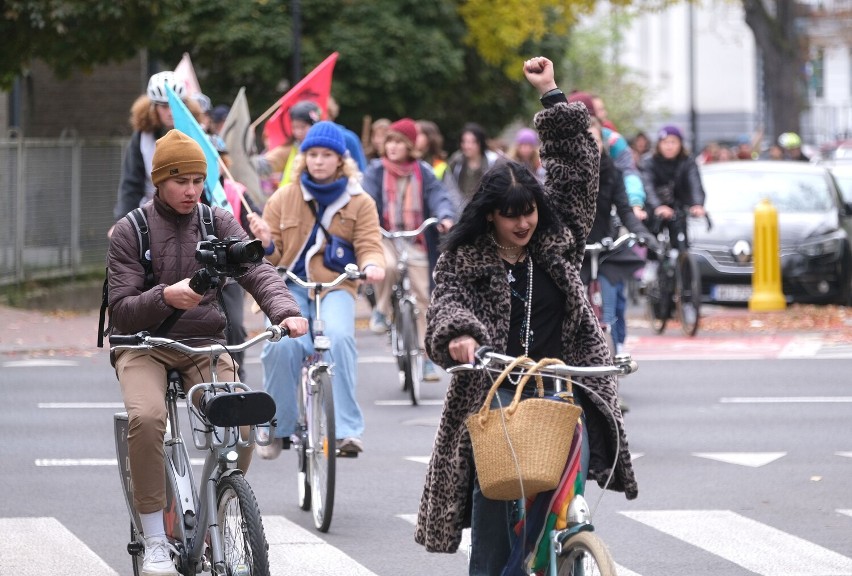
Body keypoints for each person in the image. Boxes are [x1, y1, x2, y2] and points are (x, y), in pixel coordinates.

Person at [414, 56, 638, 575]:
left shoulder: (558, 241)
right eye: (511, 214)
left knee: (563, 482)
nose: (523, 223)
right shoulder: (464, 256)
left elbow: (579, 169)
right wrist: (461, 337)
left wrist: (553, 95)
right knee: (494, 502)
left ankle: (561, 552)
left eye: (530, 211)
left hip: (564, 381)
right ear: (490, 214)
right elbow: (446, 304)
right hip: (495, 389)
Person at [107, 129, 308, 576]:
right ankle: (156, 536)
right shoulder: (130, 230)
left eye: (198, 180)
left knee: (240, 412)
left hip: (203, 343)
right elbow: (121, 312)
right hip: (143, 344)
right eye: (181, 181)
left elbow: (257, 269)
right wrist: (168, 297)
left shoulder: (217, 219)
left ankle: (225, 496)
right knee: (147, 417)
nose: (191, 190)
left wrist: (285, 310)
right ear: (159, 181)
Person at [257, 121, 386, 457]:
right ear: (303, 158)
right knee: (281, 346)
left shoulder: (360, 202)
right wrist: (267, 244)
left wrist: (372, 264)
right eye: (312, 154)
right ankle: (277, 427)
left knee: (341, 337)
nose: (318, 160)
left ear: (340, 160)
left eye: (326, 154)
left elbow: (370, 243)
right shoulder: (284, 197)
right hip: (291, 286)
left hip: (336, 286)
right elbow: (269, 256)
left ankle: (346, 431)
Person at [362, 117, 456, 382]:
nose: (392, 147)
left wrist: (445, 216)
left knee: (425, 299)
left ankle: (427, 359)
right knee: (387, 266)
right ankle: (381, 309)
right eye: (389, 141)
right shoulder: (375, 171)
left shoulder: (422, 171)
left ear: (410, 146)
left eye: (398, 142)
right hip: (385, 236)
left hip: (415, 238)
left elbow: (439, 196)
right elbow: (365, 197)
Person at [582, 117, 653, 357]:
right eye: (586, 140)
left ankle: (613, 348)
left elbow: (624, 210)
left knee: (609, 305)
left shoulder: (611, 171)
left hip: (604, 248)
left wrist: (642, 233)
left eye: (596, 140)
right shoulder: (568, 173)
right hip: (574, 248)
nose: (592, 145)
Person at [112, 71, 205, 224]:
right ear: (153, 108)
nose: (170, 112)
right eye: (163, 106)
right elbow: (131, 184)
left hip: (193, 211)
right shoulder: (141, 138)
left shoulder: (198, 134)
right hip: (152, 212)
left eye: (174, 105)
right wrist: (123, 222)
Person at [639, 124, 707, 248]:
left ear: (680, 144)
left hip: (679, 209)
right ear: (659, 144)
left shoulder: (687, 161)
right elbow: (648, 187)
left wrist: (697, 204)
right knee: (652, 248)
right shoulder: (649, 162)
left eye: (673, 142)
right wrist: (658, 206)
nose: (669, 146)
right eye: (665, 142)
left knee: (682, 246)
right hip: (655, 211)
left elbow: (695, 183)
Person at [444, 122, 499, 209]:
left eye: (472, 142)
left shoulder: (492, 162)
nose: (467, 146)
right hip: (459, 211)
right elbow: (450, 188)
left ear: (480, 143)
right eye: (464, 141)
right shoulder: (455, 162)